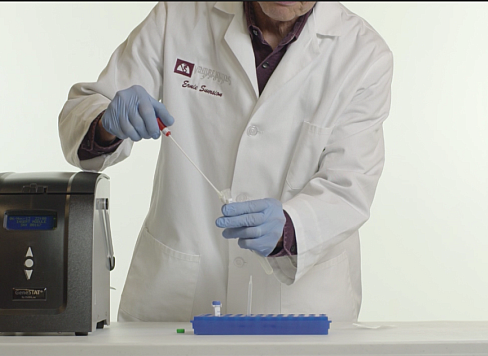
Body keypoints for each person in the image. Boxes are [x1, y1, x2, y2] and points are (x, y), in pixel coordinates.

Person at [59, 1, 393, 322]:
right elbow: (85, 109)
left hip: (300, 304)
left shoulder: (363, 55)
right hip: (176, 299)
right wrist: (105, 125)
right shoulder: (177, 15)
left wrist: (291, 228)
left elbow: (350, 185)